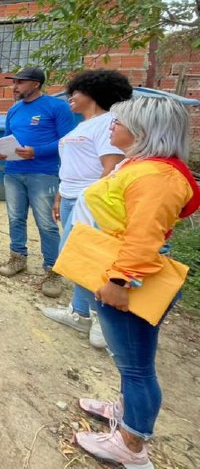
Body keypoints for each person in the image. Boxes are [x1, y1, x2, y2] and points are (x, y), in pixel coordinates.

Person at [66, 97, 200, 468]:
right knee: (129, 360)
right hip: (120, 262)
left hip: (131, 274)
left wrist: (119, 281)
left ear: (142, 130)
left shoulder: (157, 177)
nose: (111, 125)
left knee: (138, 367)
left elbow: (143, 237)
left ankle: (132, 445)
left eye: (119, 121)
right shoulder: (143, 166)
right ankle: (125, 414)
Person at [41, 70, 132, 347]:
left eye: (76, 92)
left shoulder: (108, 124)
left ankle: (101, 320)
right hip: (70, 196)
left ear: (93, 94)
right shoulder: (82, 125)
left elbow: (111, 170)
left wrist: (93, 201)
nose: (70, 97)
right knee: (75, 257)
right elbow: (72, 166)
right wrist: (60, 195)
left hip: (92, 202)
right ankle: (80, 312)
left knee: (93, 259)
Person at [0, 66, 75, 297]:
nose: (15, 86)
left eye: (20, 82)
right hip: (13, 172)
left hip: (43, 173)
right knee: (15, 217)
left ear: (36, 84)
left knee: (46, 223)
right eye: (14, 82)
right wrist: (1, 152)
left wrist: (36, 152)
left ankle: (53, 271)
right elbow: (7, 137)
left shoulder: (57, 106)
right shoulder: (14, 110)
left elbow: (67, 141)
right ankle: (17, 258)